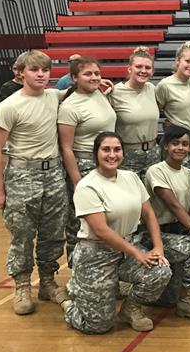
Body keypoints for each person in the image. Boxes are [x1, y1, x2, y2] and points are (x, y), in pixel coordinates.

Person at [59, 132, 172, 333]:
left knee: (160, 271)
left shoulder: (131, 178)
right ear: (96, 154)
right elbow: (101, 230)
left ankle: (130, 310)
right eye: (106, 150)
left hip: (126, 250)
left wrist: (158, 248)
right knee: (98, 326)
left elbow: (148, 213)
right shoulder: (87, 186)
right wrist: (137, 253)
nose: (112, 155)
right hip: (96, 255)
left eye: (117, 150)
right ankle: (69, 302)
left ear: (123, 153)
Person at [0, 50, 67, 315]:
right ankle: (22, 285)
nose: (41, 74)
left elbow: (79, 89)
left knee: (53, 233)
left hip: (53, 174)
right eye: (34, 70)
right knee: (22, 234)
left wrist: (100, 83)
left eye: (45, 70)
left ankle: (47, 281)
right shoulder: (10, 105)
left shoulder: (54, 97)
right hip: (22, 175)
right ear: (21, 73)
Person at [144, 125, 190, 320]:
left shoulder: (188, 173)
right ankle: (187, 302)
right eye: (175, 143)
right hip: (158, 233)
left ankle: (189, 290)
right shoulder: (156, 171)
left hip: (180, 229)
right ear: (166, 146)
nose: (180, 148)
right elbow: (173, 205)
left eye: (185, 144)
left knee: (169, 298)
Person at [58, 56, 117, 259]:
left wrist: (99, 83)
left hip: (106, 163)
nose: (94, 77)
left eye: (97, 73)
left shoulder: (99, 93)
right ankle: (76, 266)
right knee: (81, 221)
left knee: (105, 217)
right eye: (88, 74)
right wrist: (77, 181)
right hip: (84, 165)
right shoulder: (69, 106)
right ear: (74, 77)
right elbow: (66, 148)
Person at [110, 47, 159, 180]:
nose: (143, 71)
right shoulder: (114, 92)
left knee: (152, 191)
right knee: (129, 191)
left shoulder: (152, 89)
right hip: (128, 155)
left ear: (152, 71)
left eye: (148, 68)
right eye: (138, 66)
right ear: (129, 69)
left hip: (153, 153)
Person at [156, 41, 190, 172]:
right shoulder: (165, 85)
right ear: (178, 60)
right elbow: (155, 112)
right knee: (177, 178)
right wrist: (168, 127)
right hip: (179, 142)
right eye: (188, 61)